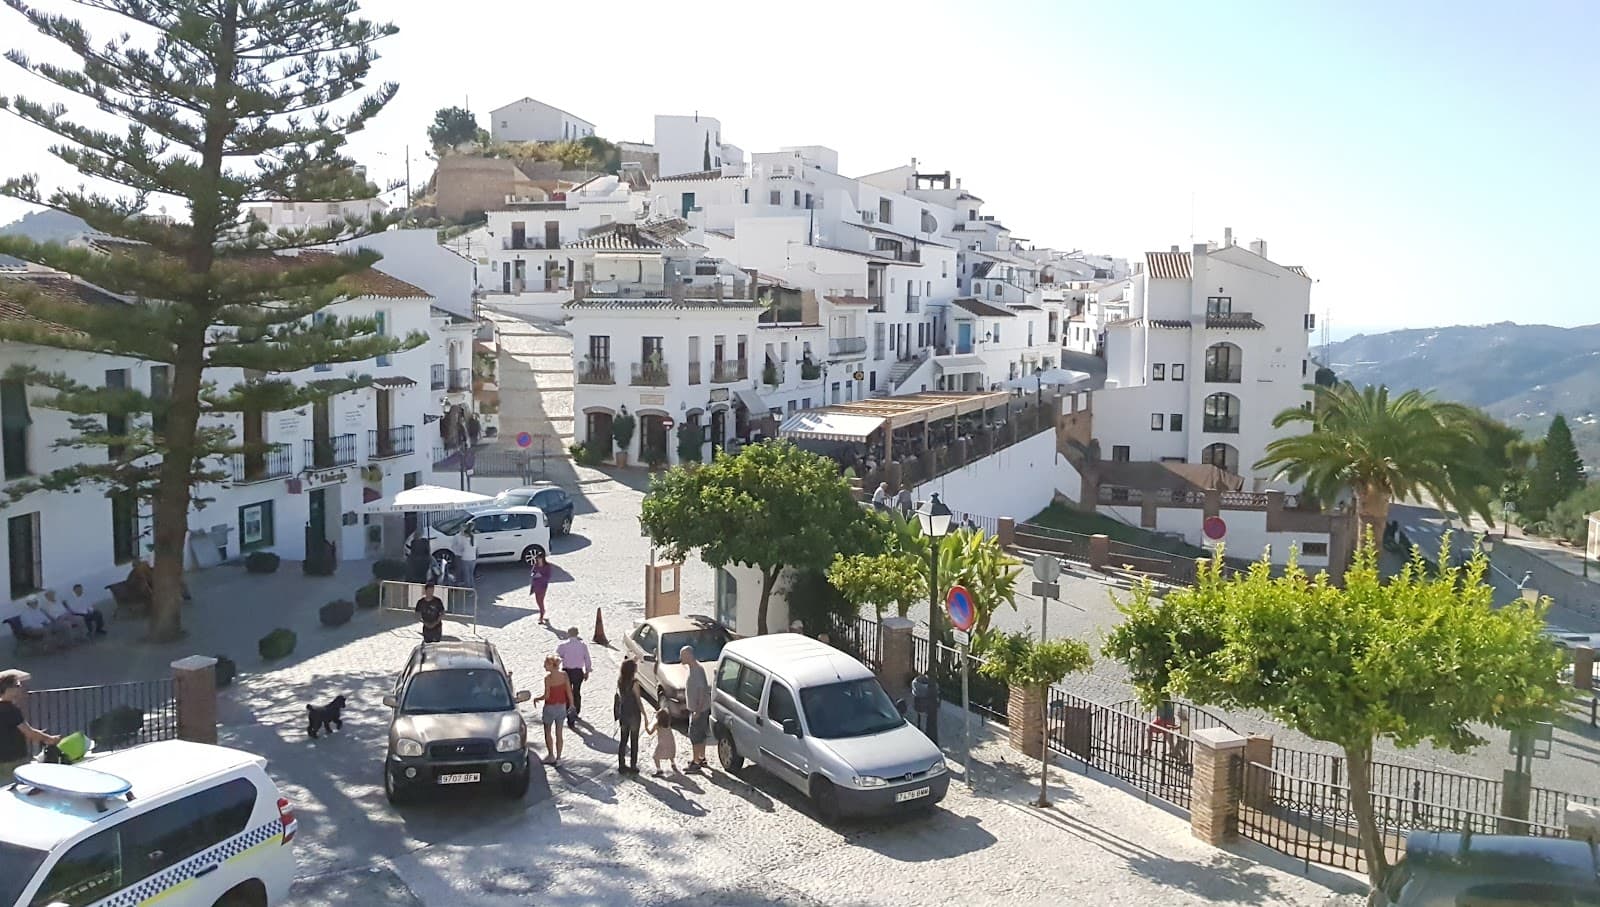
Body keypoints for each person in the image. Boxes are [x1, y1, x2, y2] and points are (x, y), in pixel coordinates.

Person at [1, 670, 59, 783]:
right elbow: (29, 732)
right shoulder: (11, 710)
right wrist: (49, 739)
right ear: (8, 689)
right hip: (14, 759)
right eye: (17, 685)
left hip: (2, 759)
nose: (20, 688)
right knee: (21, 787)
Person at [532, 656, 571, 765]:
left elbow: (547, 695)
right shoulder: (564, 675)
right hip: (562, 706)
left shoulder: (548, 679)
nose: (544, 666)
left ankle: (551, 755)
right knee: (559, 733)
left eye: (546, 664)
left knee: (548, 731)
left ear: (551, 665)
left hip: (550, 707)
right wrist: (571, 704)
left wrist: (537, 698)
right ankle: (559, 758)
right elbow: (569, 692)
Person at [681, 645, 713, 772]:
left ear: (689, 655)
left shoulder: (697, 670)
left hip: (698, 709)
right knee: (701, 733)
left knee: (694, 735)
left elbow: (701, 691)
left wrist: (697, 711)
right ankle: (701, 757)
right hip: (700, 708)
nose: (681, 658)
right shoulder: (695, 668)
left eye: (682, 656)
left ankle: (695, 762)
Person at [615, 658, 648, 774]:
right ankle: (633, 765)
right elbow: (638, 699)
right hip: (634, 713)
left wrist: (632, 660)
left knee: (623, 740)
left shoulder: (620, 681)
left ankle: (621, 764)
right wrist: (644, 713)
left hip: (624, 713)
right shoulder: (635, 683)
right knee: (634, 740)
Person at [556, 627, 591, 730]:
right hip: (578, 671)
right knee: (577, 692)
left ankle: (568, 711)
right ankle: (576, 710)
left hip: (566, 671)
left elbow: (556, 657)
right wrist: (587, 671)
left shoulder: (563, 645)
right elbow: (587, 659)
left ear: (568, 634)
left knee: (567, 693)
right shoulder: (583, 646)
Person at [650, 705, 676, 776]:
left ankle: (659, 770)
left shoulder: (657, 725)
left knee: (655, 757)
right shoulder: (668, 723)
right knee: (670, 753)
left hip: (662, 744)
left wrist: (646, 726)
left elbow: (650, 733)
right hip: (671, 742)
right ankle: (673, 763)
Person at [528, 552, 552, 623]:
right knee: (538, 601)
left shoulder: (547, 566)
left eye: (539, 558)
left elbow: (548, 577)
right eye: (537, 558)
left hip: (543, 586)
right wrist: (534, 575)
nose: (538, 560)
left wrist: (540, 576)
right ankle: (542, 611)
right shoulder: (536, 565)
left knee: (540, 601)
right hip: (536, 586)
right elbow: (532, 573)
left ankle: (541, 616)